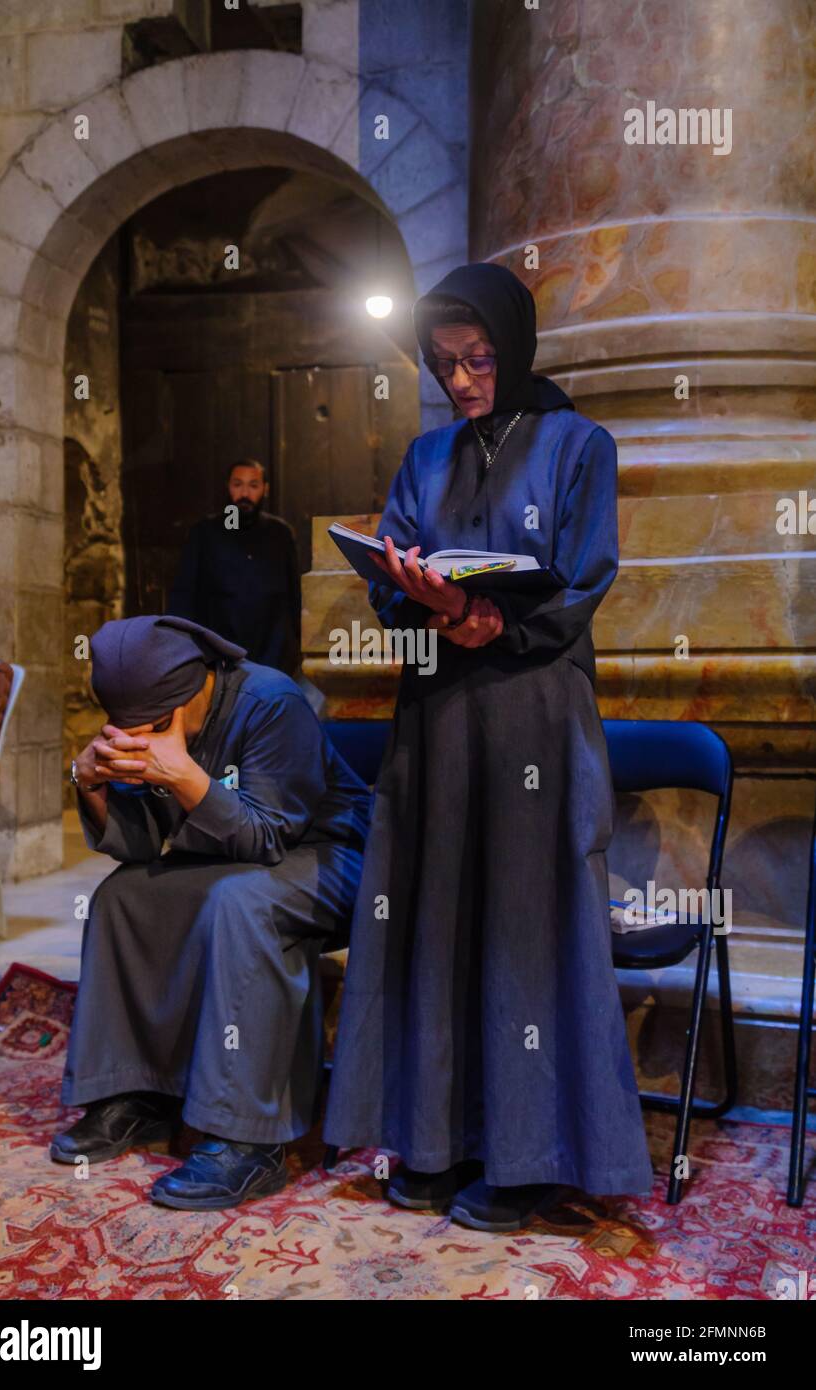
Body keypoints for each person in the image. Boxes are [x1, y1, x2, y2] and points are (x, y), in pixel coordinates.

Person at [323, 262, 654, 1231]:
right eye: (444, 364)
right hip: (436, 719)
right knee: (435, 923)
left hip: (530, 714)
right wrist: (420, 600)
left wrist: (487, 620)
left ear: (513, 347)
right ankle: (432, 1141)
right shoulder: (423, 457)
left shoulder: (576, 443)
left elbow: (581, 581)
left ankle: (528, 1158)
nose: (463, 381)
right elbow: (391, 577)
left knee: (522, 929)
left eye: (478, 359)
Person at [52, 614, 371, 1210]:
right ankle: (139, 1095)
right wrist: (89, 781)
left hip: (332, 858)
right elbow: (143, 844)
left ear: (178, 707)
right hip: (238, 861)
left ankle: (248, 1142)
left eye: (147, 731)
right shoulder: (147, 720)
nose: (136, 740)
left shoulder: (271, 701)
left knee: (240, 903)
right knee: (124, 896)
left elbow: (271, 837)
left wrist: (187, 779)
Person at [168, 459, 301, 675]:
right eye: (238, 484)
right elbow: (184, 591)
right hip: (218, 650)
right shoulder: (205, 532)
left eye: (253, 485)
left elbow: (294, 594)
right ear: (228, 487)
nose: (245, 494)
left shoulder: (280, 533)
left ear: (265, 489)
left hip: (271, 651)